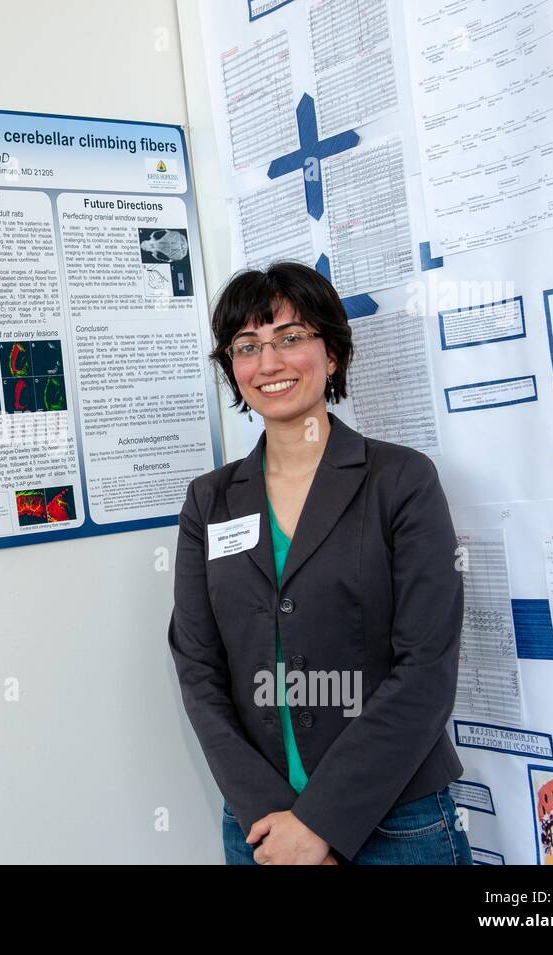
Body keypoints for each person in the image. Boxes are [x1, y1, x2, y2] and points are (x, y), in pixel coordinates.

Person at [168, 262, 472, 865]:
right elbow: (198, 666)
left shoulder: (400, 480)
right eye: (247, 346)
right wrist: (268, 816)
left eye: (290, 338)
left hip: (397, 820)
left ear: (331, 354)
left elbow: (426, 668)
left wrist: (321, 822)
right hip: (262, 826)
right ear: (233, 368)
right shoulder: (210, 499)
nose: (270, 362)